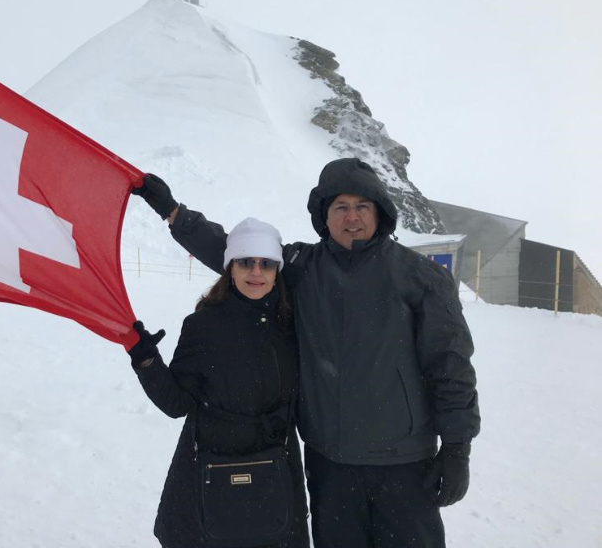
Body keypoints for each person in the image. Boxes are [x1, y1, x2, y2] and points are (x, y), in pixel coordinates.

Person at [132, 158, 481, 548]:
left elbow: (450, 367)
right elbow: (241, 254)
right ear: (324, 216)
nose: (352, 217)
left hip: (402, 463)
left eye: (363, 206)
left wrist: (457, 448)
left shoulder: (421, 277)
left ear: (381, 212)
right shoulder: (303, 267)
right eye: (340, 207)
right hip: (329, 463)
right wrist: (174, 213)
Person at [128, 217, 310, 548]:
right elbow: (177, 403)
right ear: (230, 267)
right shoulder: (204, 324)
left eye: (266, 263)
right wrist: (147, 360)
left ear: (276, 271)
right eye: (245, 262)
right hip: (210, 465)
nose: (256, 272)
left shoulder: (294, 324)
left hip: (276, 467)